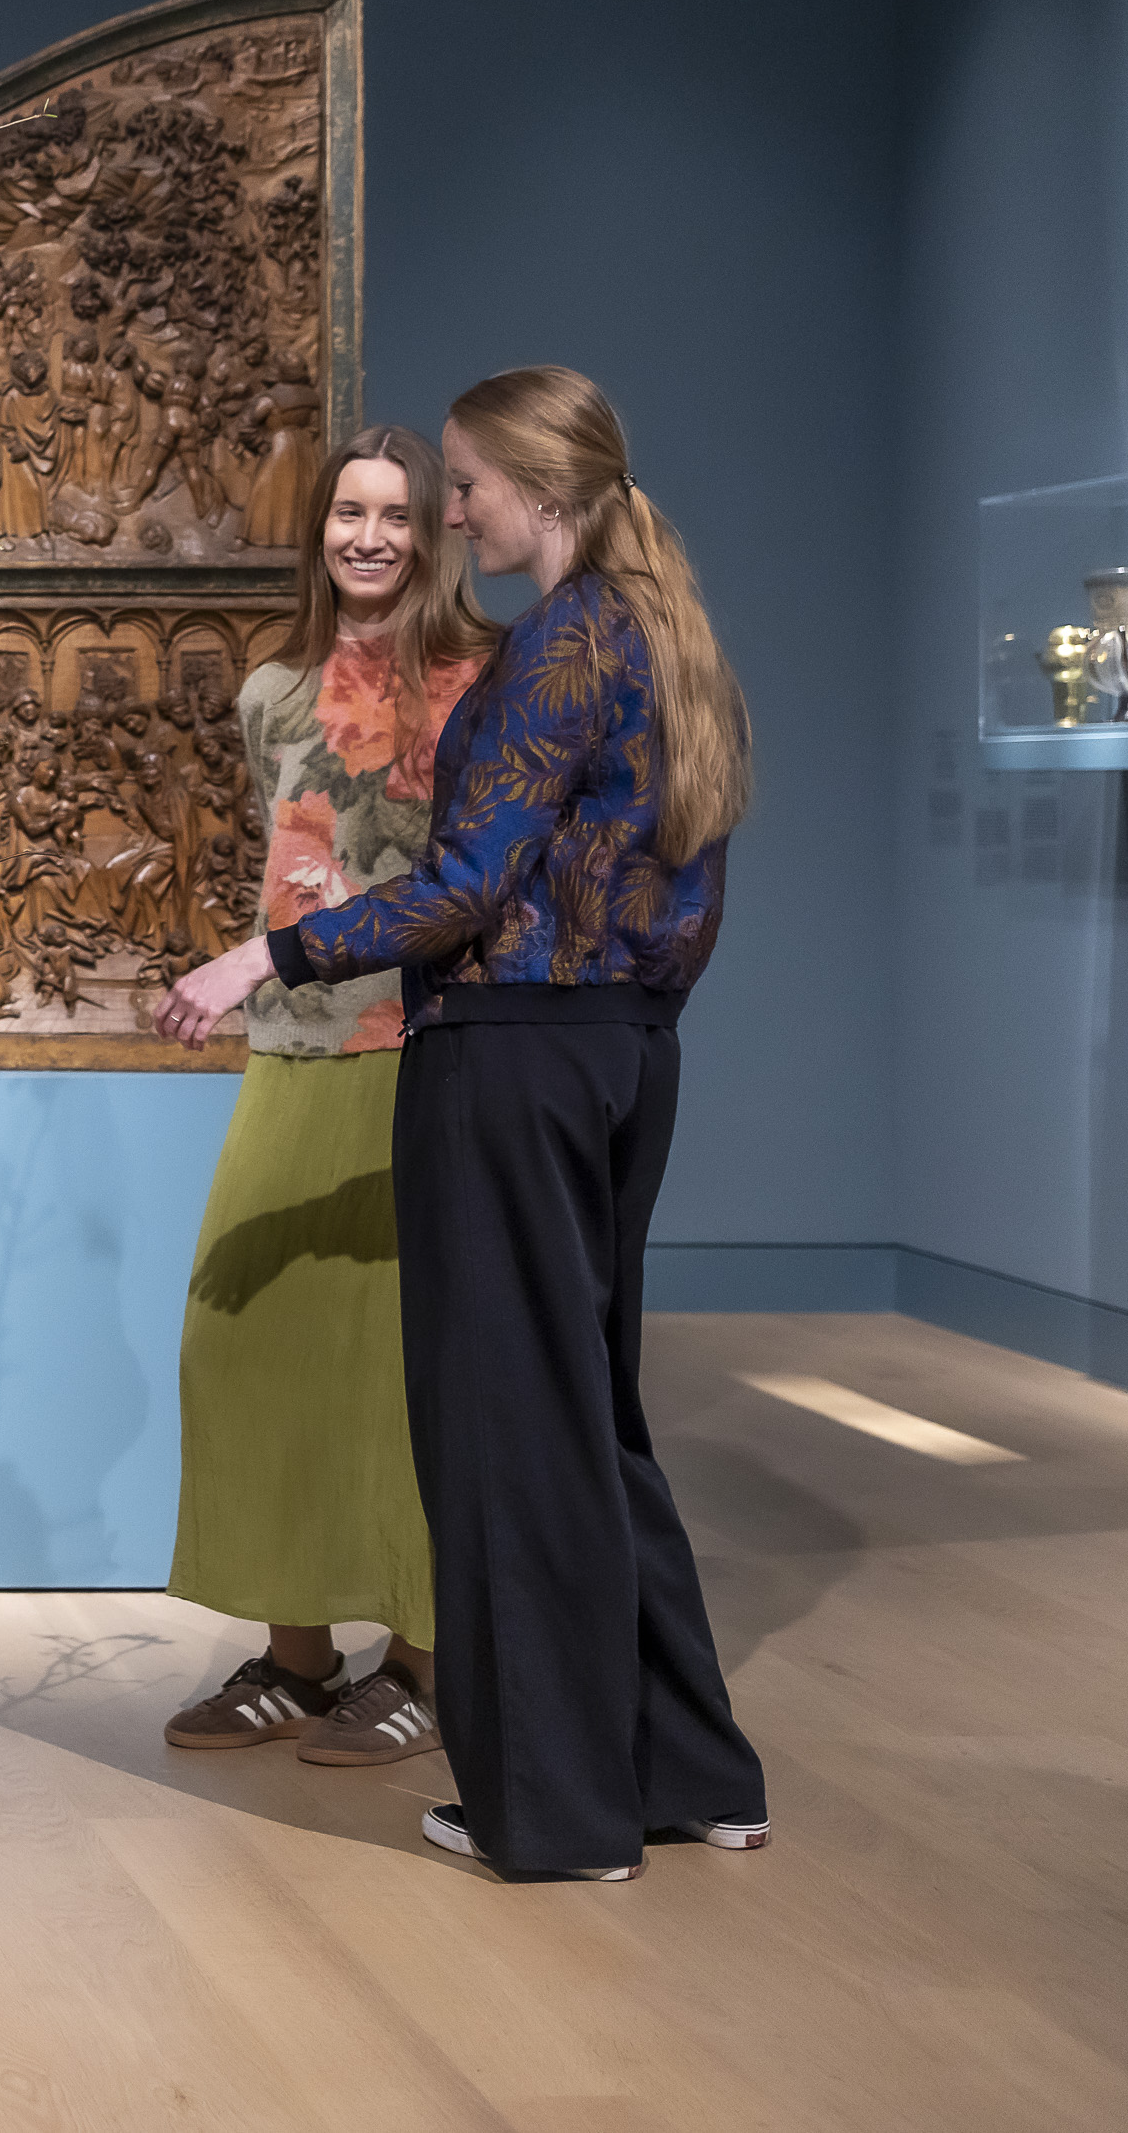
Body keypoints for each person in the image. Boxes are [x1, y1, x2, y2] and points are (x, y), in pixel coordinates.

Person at [155, 367, 769, 1881]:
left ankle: (554, 1816)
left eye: (468, 487)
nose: (457, 513)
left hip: (513, 1061)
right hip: (627, 1055)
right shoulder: (659, 631)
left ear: (537, 492)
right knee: (596, 1428)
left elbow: (468, 885)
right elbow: (683, 899)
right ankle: (691, 1772)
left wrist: (265, 955)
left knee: (509, 1444)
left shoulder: (561, 642)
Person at [162, 424, 490, 1768]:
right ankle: (297, 1662)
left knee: (401, 1372)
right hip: (292, 1052)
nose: (368, 536)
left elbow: (464, 879)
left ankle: (423, 1661)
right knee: (248, 1341)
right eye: (347, 512)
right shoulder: (274, 693)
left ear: (432, 533)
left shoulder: (478, 687)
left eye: (395, 515)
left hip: (419, 1055)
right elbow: (297, 868)